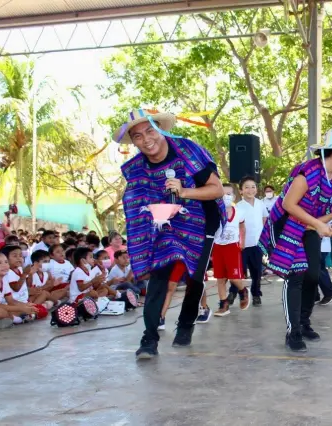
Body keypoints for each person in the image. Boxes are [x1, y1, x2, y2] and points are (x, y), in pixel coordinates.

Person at [115, 109, 226, 360]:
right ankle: (149, 338)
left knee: (195, 277)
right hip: (164, 220)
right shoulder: (137, 168)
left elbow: (216, 189)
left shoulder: (187, 151)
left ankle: (186, 323)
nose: (146, 139)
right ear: (134, 142)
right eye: (138, 136)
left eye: (150, 130)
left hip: (202, 217)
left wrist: (184, 191)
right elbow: (136, 199)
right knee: (159, 275)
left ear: (160, 129)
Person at [259, 127, 332, 352]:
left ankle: (304, 322)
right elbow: (288, 205)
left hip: (307, 227)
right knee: (296, 276)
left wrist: (320, 224)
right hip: (285, 225)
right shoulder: (308, 172)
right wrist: (316, 224)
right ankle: (293, 331)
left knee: (313, 275)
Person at [231, 176, 269, 306]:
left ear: (256, 189)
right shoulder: (238, 207)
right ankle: (233, 292)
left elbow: (265, 220)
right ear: (241, 191)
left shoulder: (260, 203)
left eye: (253, 187)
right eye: (246, 187)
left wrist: (265, 240)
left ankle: (256, 294)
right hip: (242, 245)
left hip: (257, 244)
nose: (250, 190)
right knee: (238, 271)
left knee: (256, 272)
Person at [213, 183, 250, 316]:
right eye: (223, 194)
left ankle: (243, 291)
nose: (226, 197)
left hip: (232, 247)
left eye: (228, 194)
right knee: (220, 278)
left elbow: (242, 228)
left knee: (234, 278)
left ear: (234, 196)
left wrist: (242, 242)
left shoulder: (239, 212)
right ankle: (224, 305)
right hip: (218, 247)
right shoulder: (215, 212)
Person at [0, 252, 38, 326]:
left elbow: (11, 300)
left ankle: (6, 320)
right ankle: (16, 320)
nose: (4, 265)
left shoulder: (4, 279)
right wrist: (21, 308)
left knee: (24, 308)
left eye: (6, 262)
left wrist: (25, 305)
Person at [316, 218, 332, 306]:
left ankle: (329, 292)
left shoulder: (325, 207)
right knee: (312, 269)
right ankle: (314, 296)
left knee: (318, 269)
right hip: (313, 243)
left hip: (322, 245)